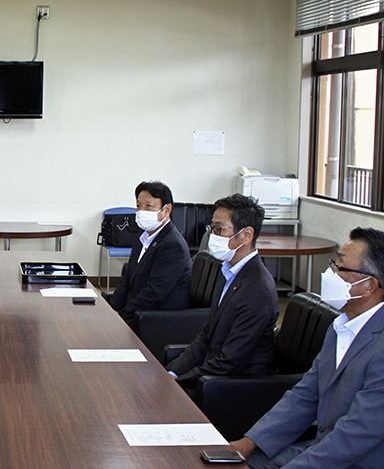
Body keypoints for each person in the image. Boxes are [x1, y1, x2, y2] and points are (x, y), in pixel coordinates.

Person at [231, 227, 384, 469]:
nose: (330, 274)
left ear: (369, 286)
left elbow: (357, 434)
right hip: (320, 448)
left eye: (340, 268)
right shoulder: (339, 327)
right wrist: (248, 443)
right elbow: (305, 395)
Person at [166, 194, 278, 388]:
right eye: (212, 228)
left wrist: (177, 383)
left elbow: (230, 362)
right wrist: (170, 373)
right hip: (210, 372)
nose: (212, 235)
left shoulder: (258, 290)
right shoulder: (228, 272)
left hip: (233, 387)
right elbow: (206, 335)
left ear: (247, 235)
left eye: (219, 229)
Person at [107, 181, 192, 326]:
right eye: (138, 206)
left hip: (155, 319)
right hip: (136, 309)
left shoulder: (172, 245)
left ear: (167, 210)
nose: (141, 211)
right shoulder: (143, 237)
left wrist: (121, 316)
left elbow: (154, 293)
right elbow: (128, 277)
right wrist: (111, 307)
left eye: (149, 206)